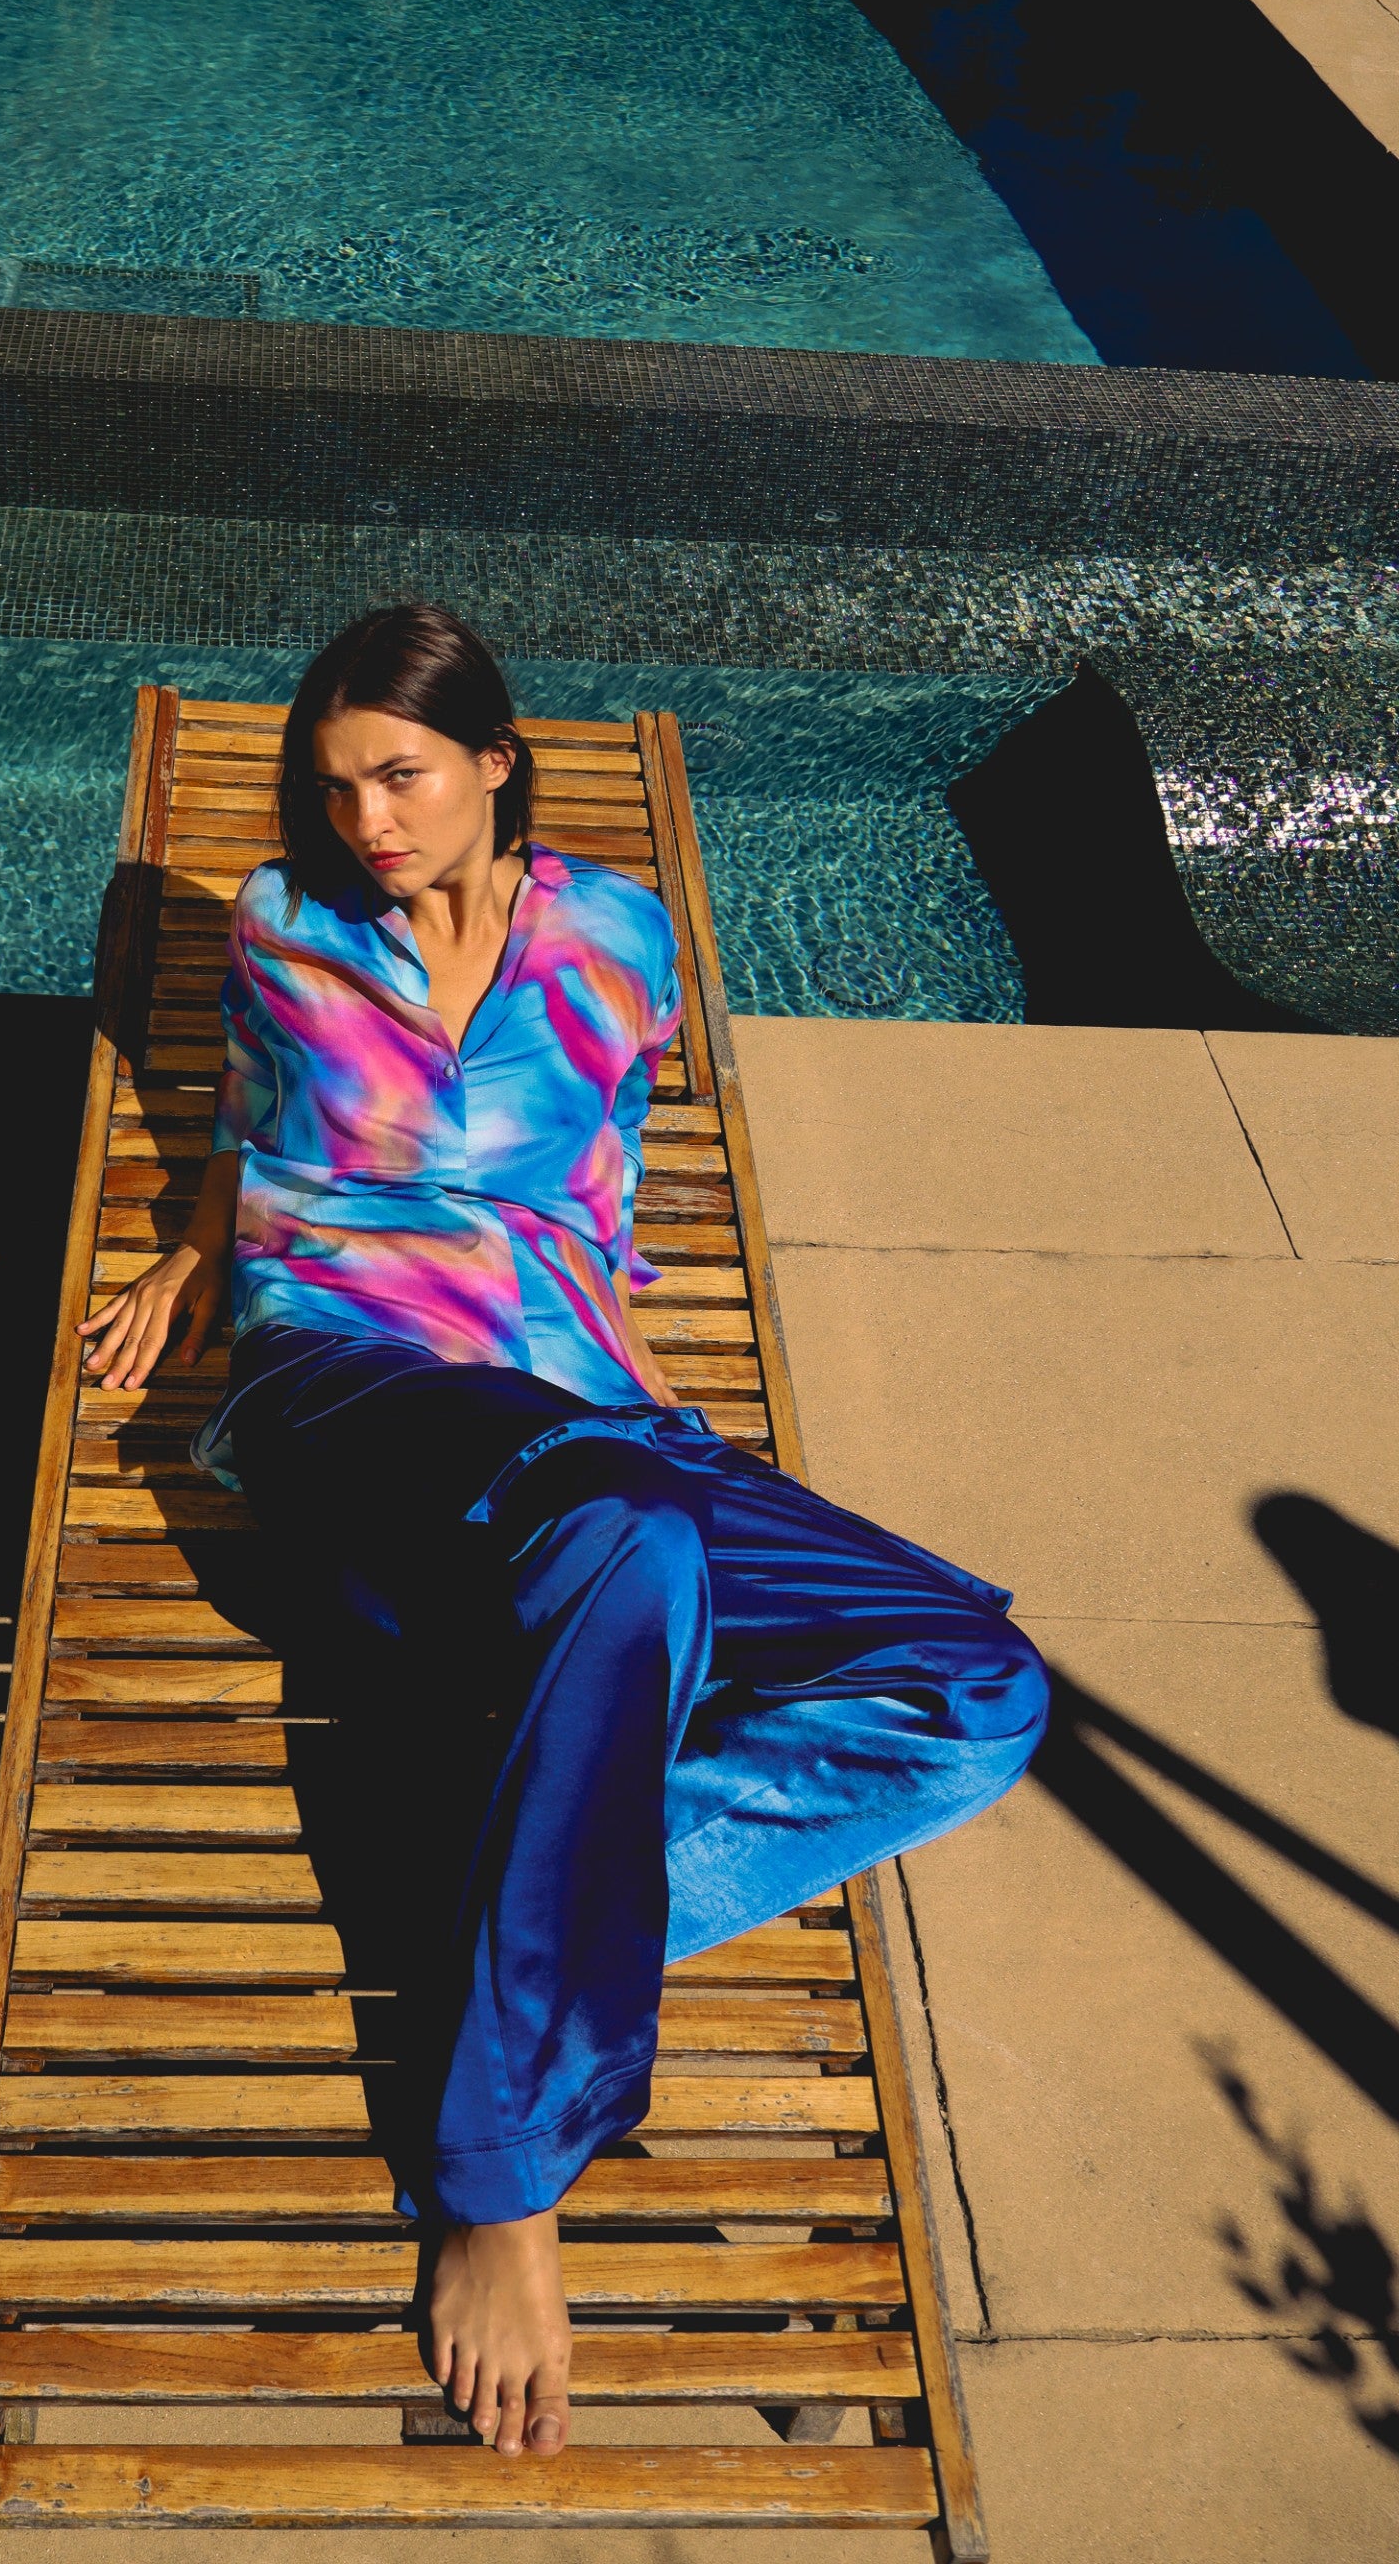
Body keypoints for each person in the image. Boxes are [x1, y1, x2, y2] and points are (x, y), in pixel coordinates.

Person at [79, 604, 1049, 2466]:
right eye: (334, 783)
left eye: (403, 776)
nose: (364, 818)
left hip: (590, 1416)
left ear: (497, 763)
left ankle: (541, 1914)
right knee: (627, 1550)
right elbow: (243, 1119)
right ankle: (503, 2170)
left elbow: (604, 1170)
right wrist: (202, 1253)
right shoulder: (283, 932)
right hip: (350, 1392)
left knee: (977, 1687)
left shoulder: (617, 938)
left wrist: (620, 1362)